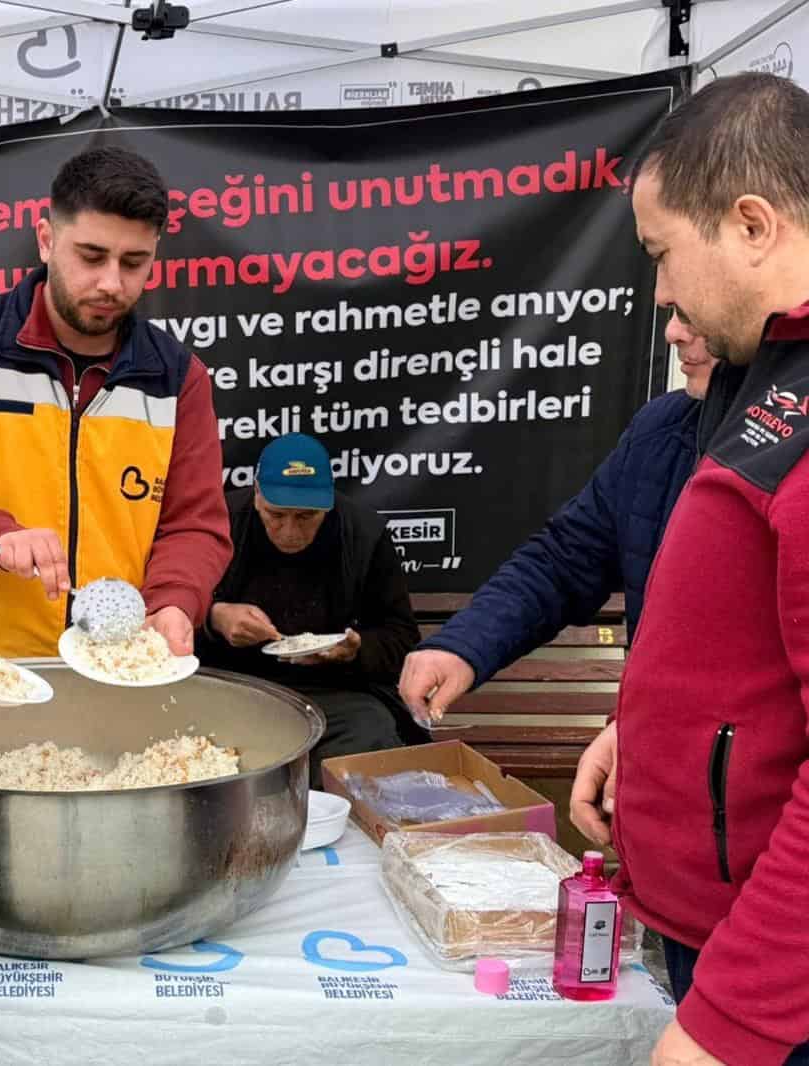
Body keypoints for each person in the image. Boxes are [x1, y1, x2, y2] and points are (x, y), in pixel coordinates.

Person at [570, 72, 809, 1066]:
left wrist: (730, 1024)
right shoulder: (768, 377)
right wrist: (645, 728)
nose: (660, 292)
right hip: (697, 914)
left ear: (750, 224)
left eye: (663, 253)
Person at [0, 145, 231, 659]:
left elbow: (195, 523)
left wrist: (176, 602)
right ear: (46, 240)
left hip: (118, 666)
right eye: (91, 257)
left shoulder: (179, 378)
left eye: (133, 263)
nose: (111, 283)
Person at [398, 317, 717, 722]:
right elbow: (564, 560)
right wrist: (461, 645)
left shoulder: (788, 454)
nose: (673, 332)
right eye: (672, 312)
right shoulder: (660, 430)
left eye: (692, 315)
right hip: (653, 743)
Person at [199, 433, 421, 781]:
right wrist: (215, 617)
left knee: (372, 730)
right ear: (256, 493)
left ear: (329, 503)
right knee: (191, 734)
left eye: (306, 517)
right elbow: (168, 613)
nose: (289, 531)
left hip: (329, 693)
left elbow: (401, 636)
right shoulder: (217, 523)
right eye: (276, 515)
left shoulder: (362, 533)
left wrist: (355, 650)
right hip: (234, 687)